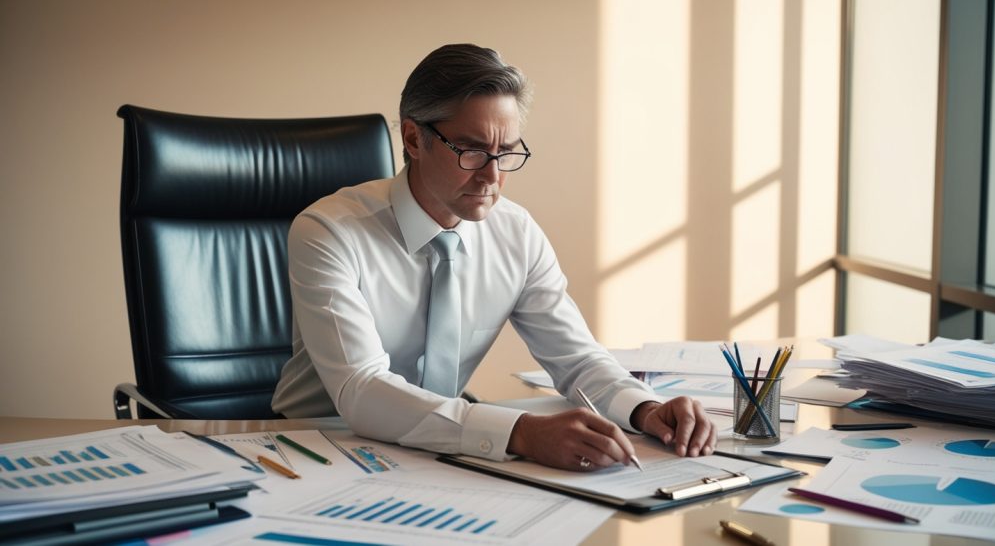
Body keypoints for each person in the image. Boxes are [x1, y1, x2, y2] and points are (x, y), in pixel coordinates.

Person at [272, 43, 717, 471]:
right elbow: (362, 390)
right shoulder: (329, 231)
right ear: (412, 138)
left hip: (445, 450)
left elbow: (577, 360)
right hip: (319, 446)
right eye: (472, 151)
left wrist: (645, 409)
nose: (492, 176)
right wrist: (521, 433)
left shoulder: (515, 231)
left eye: (506, 153)